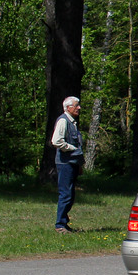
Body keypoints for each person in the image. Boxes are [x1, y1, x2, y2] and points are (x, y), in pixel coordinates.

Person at [51, 95, 84, 233]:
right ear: (68, 107)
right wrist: (72, 148)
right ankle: (60, 225)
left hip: (72, 163)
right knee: (66, 194)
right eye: (76, 105)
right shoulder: (63, 121)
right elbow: (56, 141)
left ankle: (64, 223)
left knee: (70, 194)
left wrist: (79, 163)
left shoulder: (72, 122)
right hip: (65, 163)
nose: (79, 108)